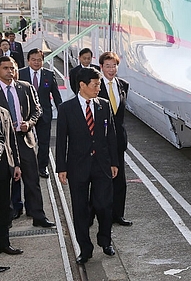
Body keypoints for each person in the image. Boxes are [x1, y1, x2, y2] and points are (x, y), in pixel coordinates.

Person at [56, 67, 118, 265]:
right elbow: (61, 141)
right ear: (82, 85)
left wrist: (114, 162)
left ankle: (105, 240)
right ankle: (85, 248)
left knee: (104, 205)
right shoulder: (66, 109)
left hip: (102, 165)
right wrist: (61, 167)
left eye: (99, 84)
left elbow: (111, 136)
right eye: (95, 85)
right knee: (80, 209)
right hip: (77, 166)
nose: (98, 88)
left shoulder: (104, 105)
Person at [0, 56, 54, 227]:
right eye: (5, 68)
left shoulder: (25, 87)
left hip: (25, 140)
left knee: (32, 180)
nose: (10, 71)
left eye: (12, 68)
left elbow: (38, 110)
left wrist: (29, 123)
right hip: (5, 144)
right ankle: (8, 217)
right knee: (6, 182)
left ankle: (38, 215)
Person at [97, 51, 132, 226]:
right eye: (108, 66)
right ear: (101, 67)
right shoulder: (95, 86)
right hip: (100, 141)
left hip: (118, 141)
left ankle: (118, 215)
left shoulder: (123, 85)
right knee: (100, 180)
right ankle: (99, 215)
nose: (111, 69)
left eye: (114, 65)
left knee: (120, 181)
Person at [19, 48, 62, 178]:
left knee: (44, 142)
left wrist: (62, 113)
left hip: (44, 114)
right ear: (28, 60)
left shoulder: (49, 74)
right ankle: (25, 167)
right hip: (26, 115)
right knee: (25, 142)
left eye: (39, 60)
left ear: (43, 61)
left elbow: (56, 95)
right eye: (33, 60)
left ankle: (42, 167)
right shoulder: (21, 74)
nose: (36, 62)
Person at [0, 103, 22, 256]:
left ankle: (4, 243)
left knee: (4, 207)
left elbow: (12, 141)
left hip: (4, 168)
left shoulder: (4, 113)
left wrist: (16, 165)